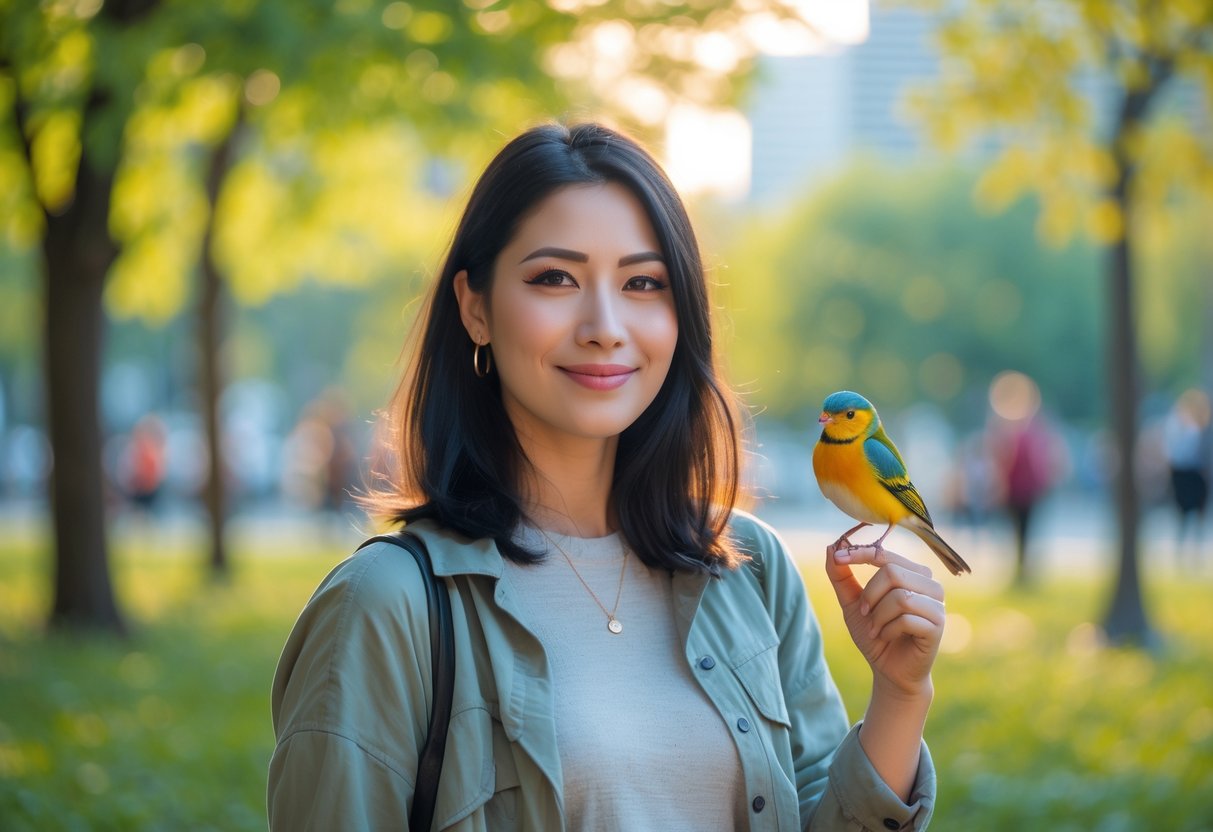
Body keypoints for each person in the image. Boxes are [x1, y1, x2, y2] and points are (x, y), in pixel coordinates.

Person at [268, 123, 943, 830]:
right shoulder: (384, 607)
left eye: (642, 283)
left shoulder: (749, 568)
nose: (604, 325)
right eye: (554, 278)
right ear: (475, 307)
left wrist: (899, 695)